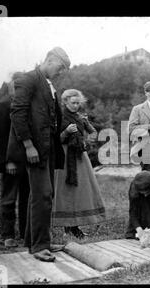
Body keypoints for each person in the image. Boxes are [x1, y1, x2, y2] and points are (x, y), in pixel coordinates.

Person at [7, 47, 70, 262]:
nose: (61, 73)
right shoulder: (28, 79)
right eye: (60, 68)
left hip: (48, 148)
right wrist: (28, 145)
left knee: (41, 195)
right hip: (35, 148)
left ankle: (34, 241)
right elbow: (18, 113)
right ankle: (40, 246)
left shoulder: (47, 84)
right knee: (43, 196)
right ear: (50, 60)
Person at [51, 89, 106, 238]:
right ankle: (68, 228)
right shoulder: (58, 117)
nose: (76, 106)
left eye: (78, 103)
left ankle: (76, 226)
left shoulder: (80, 117)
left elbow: (93, 132)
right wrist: (66, 132)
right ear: (65, 102)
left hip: (80, 157)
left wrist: (87, 142)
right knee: (66, 191)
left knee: (80, 190)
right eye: (73, 103)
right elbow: (56, 140)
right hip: (64, 157)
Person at [0, 73, 29, 248]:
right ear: (11, 85)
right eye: (17, 85)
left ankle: (25, 232)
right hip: (10, 162)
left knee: (27, 197)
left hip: (27, 161)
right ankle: (7, 234)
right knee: (9, 197)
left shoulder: (26, 105)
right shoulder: (2, 104)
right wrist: (8, 161)